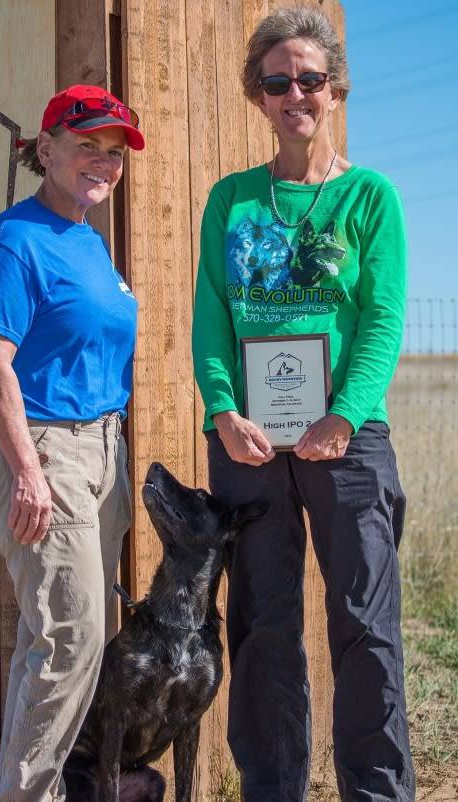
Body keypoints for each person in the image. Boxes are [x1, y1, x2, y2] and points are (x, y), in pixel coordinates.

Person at [191, 7, 415, 802]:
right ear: (258, 96)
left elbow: (384, 317)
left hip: (347, 442)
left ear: (336, 90)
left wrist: (344, 414)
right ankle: (272, 789)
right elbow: (212, 314)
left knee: (364, 626)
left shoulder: (370, 198)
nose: (296, 94)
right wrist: (222, 409)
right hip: (249, 442)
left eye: (311, 80)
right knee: (263, 626)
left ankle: (377, 792)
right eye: (278, 81)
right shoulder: (232, 200)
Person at [0, 84, 144, 802]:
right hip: (42, 452)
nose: (103, 162)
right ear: (46, 149)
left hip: (99, 451)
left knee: (58, 645)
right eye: (88, 144)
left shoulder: (87, 241)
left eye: (115, 151)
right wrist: (29, 475)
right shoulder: (16, 238)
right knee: (68, 642)